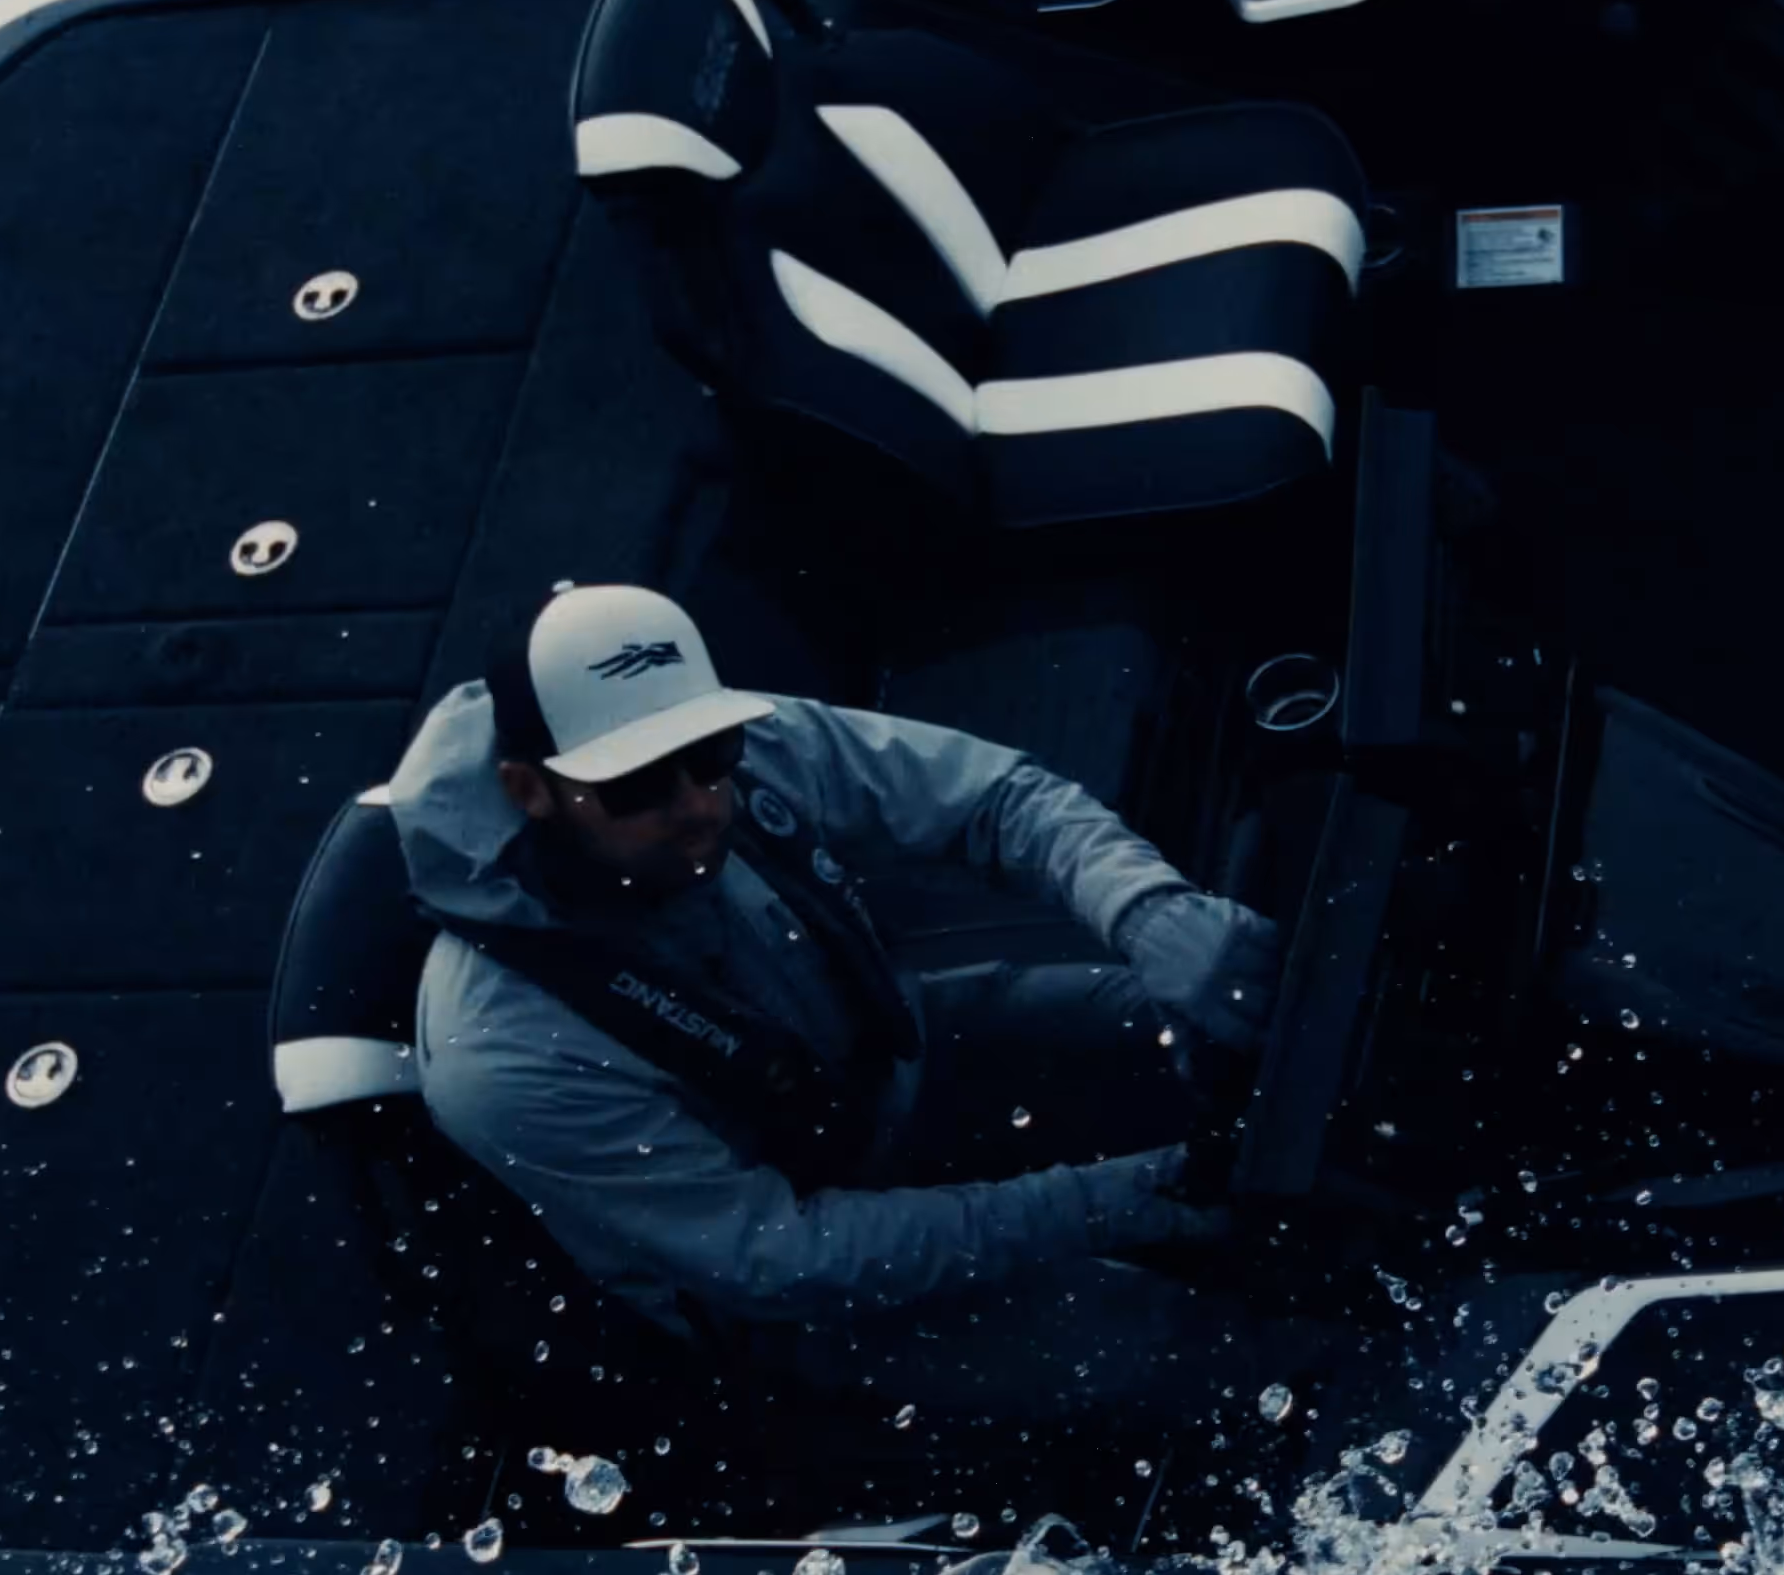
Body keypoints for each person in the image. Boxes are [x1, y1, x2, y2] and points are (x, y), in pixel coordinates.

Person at [381, 580, 1313, 1427]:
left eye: (711, 754)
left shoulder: (730, 757)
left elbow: (997, 799)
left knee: (1245, 1029)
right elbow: (784, 1260)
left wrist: (1150, 916)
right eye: (636, 786)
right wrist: (1110, 1201)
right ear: (528, 790)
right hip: (804, 1291)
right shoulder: (503, 1056)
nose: (699, 803)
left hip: (895, 1068)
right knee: (1188, 1350)